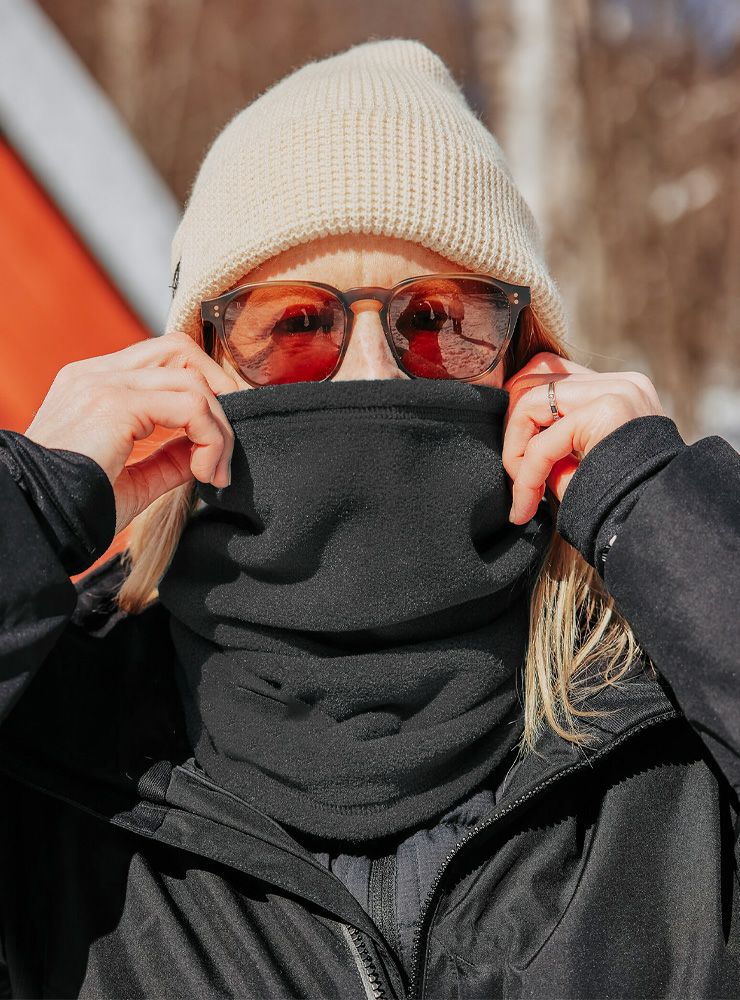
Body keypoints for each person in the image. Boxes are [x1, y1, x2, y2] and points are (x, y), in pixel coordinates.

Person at [0, 38, 738, 1000]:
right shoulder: (52, 749)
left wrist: (663, 510)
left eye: (436, 320)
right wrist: (28, 503)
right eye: (293, 326)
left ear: (531, 363)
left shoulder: (666, 730)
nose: (371, 373)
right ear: (195, 372)